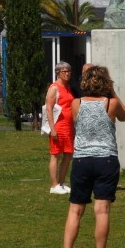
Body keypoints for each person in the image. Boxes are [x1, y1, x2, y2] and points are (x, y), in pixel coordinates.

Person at [59, 66, 125, 248]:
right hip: (106, 159)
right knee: (102, 210)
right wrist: (112, 92)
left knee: (75, 209)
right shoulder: (111, 104)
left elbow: (76, 123)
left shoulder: (76, 103)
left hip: (82, 159)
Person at [45, 61, 76, 194]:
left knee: (68, 154)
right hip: (58, 125)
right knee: (56, 154)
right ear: (58, 73)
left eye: (69, 71)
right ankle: (54, 184)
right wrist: (53, 128)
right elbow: (49, 108)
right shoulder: (54, 88)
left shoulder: (68, 87)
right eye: (64, 71)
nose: (67, 73)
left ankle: (62, 182)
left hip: (69, 126)